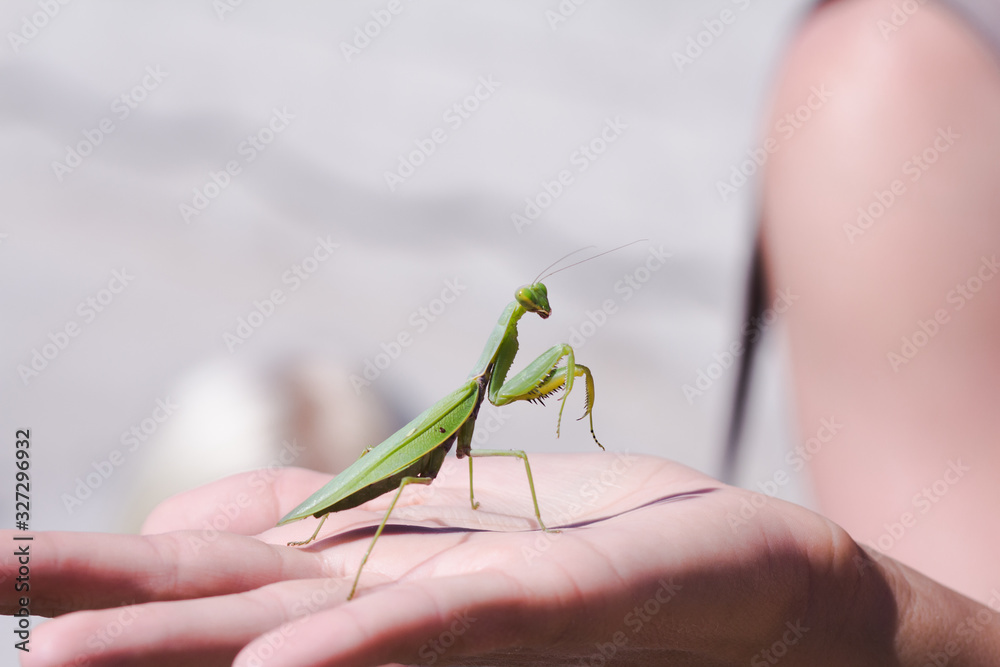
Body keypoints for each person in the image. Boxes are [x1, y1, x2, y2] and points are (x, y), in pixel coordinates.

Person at [8, 0, 1000, 664]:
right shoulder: (883, 72)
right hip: (376, 483)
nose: (543, 321)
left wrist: (881, 617)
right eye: (533, 309)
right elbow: (440, 460)